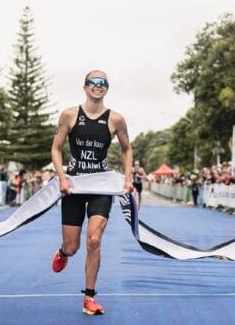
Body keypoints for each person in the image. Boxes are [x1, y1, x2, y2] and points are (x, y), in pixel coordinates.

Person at [49, 70, 133, 316]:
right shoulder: (69, 115)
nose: (98, 86)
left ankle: (89, 298)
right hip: (74, 186)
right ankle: (64, 252)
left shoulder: (116, 119)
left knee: (94, 240)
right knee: (73, 246)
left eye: (102, 83)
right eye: (93, 82)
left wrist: (128, 177)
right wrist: (62, 177)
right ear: (85, 87)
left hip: (101, 186)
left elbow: (127, 149)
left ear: (107, 88)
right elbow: (56, 148)